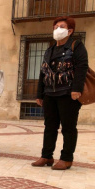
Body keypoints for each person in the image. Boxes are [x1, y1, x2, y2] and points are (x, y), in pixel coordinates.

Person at [32, 16, 88, 170]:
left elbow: (82, 68)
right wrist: (39, 94)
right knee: (49, 126)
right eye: (55, 26)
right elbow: (43, 72)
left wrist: (77, 89)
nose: (57, 29)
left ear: (69, 31)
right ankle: (46, 156)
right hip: (50, 94)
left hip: (68, 93)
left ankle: (66, 158)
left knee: (68, 127)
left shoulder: (76, 46)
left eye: (61, 26)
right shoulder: (49, 50)